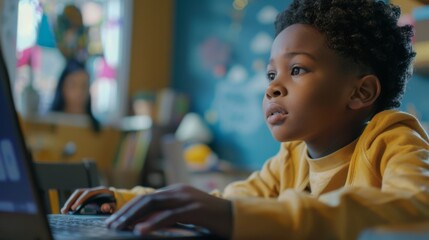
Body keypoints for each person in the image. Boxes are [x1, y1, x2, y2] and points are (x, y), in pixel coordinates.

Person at [61, 0, 429, 239]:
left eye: (297, 69)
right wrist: (128, 199)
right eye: (271, 75)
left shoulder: (393, 139)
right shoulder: (291, 159)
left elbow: (414, 208)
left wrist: (236, 214)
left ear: (361, 93)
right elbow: (227, 201)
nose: (273, 89)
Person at [51, 59, 100, 132]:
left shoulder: (99, 130)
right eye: (73, 86)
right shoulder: (49, 124)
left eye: (84, 86)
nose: (79, 93)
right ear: (62, 88)